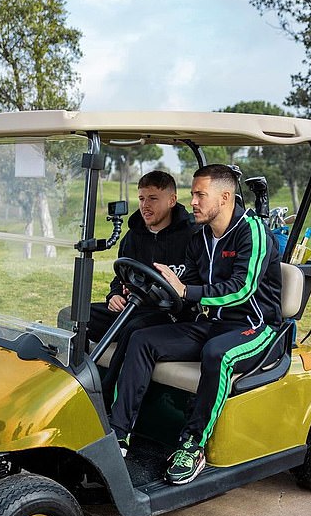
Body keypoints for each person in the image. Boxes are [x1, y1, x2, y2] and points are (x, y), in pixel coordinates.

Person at [110, 164, 283, 485]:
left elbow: (241, 289)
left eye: (201, 195)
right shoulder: (201, 237)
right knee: (142, 338)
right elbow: (186, 281)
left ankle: (193, 444)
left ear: (225, 197)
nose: (193, 202)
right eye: (193, 195)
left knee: (218, 354)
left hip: (256, 327)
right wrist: (157, 286)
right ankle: (118, 434)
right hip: (211, 324)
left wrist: (185, 290)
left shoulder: (253, 232)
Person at [88, 170, 196, 406]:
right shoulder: (133, 236)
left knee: (133, 329)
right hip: (134, 307)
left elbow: (194, 286)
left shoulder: (192, 236)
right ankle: (74, 381)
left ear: (172, 200)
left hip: (171, 314)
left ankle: (104, 397)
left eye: (153, 199)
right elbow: (121, 277)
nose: (145, 206)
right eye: (142, 199)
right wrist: (114, 294)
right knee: (79, 315)